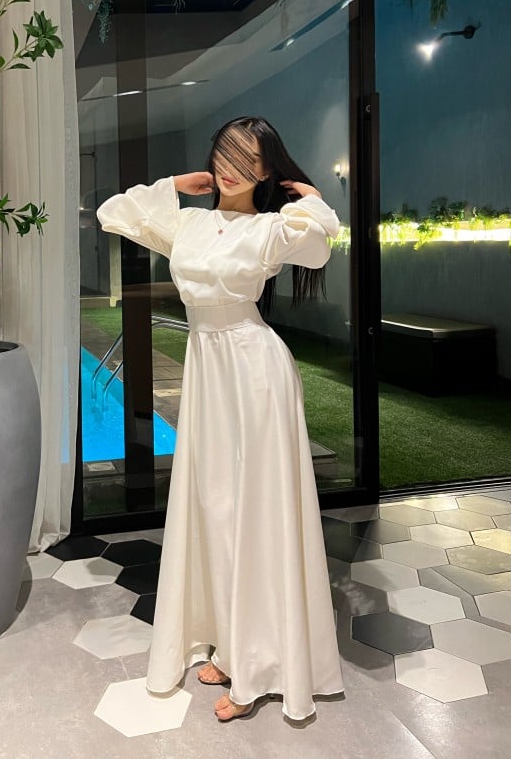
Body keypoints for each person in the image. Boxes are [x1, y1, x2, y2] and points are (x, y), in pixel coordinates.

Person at [96, 116, 344, 723]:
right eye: (225, 153)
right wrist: (176, 185)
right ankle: (232, 646)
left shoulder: (268, 229)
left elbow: (320, 242)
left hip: (254, 372)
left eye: (249, 160)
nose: (232, 168)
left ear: (268, 171)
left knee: (254, 512)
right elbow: (113, 212)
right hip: (208, 371)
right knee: (215, 508)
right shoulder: (189, 223)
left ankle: (256, 667)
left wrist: (311, 198)